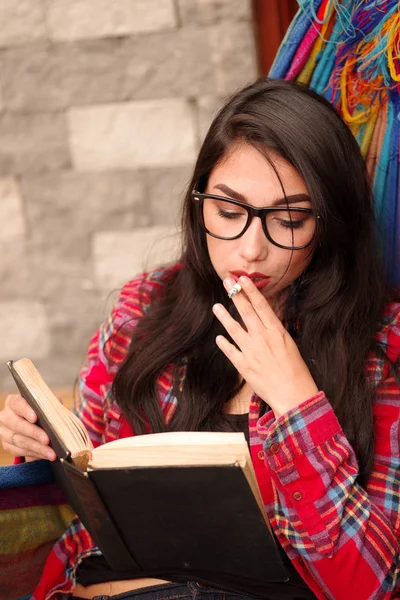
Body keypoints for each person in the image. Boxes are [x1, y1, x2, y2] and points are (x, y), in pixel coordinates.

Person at [0, 77, 399, 600]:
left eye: (291, 219)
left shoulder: (380, 348)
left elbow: (371, 587)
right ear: (199, 205)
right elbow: (76, 531)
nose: (252, 249)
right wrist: (37, 449)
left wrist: (298, 405)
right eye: (229, 213)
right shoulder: (141, 313)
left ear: (330, 225)